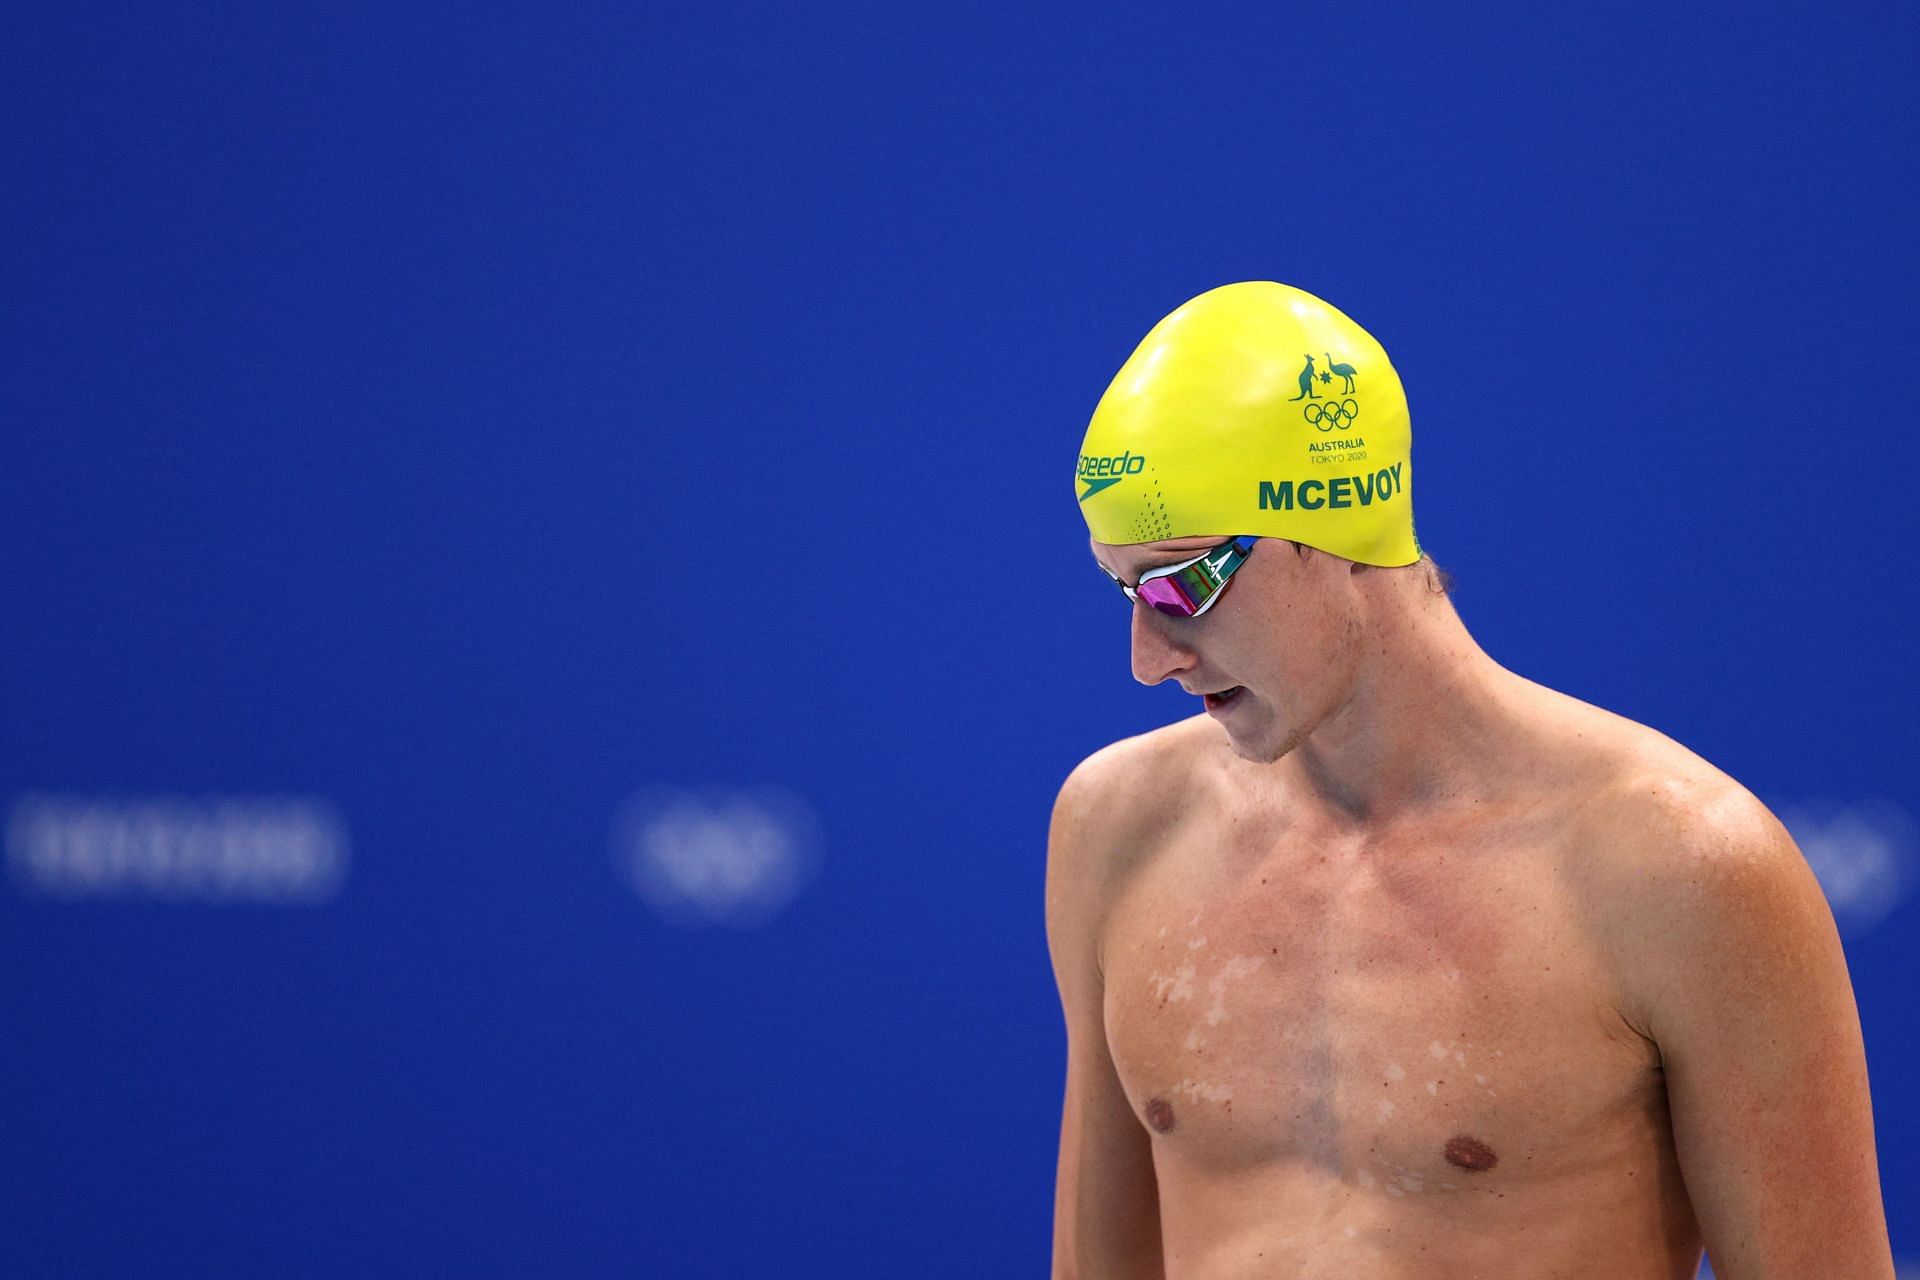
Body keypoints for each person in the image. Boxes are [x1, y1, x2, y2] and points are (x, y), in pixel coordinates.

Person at [1047, 282, 1894, 1278]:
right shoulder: (1119, 826)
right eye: (1122, 588)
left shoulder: (1675, 866)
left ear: (1341, 529)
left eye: (1184, 583)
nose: (1150, 657)